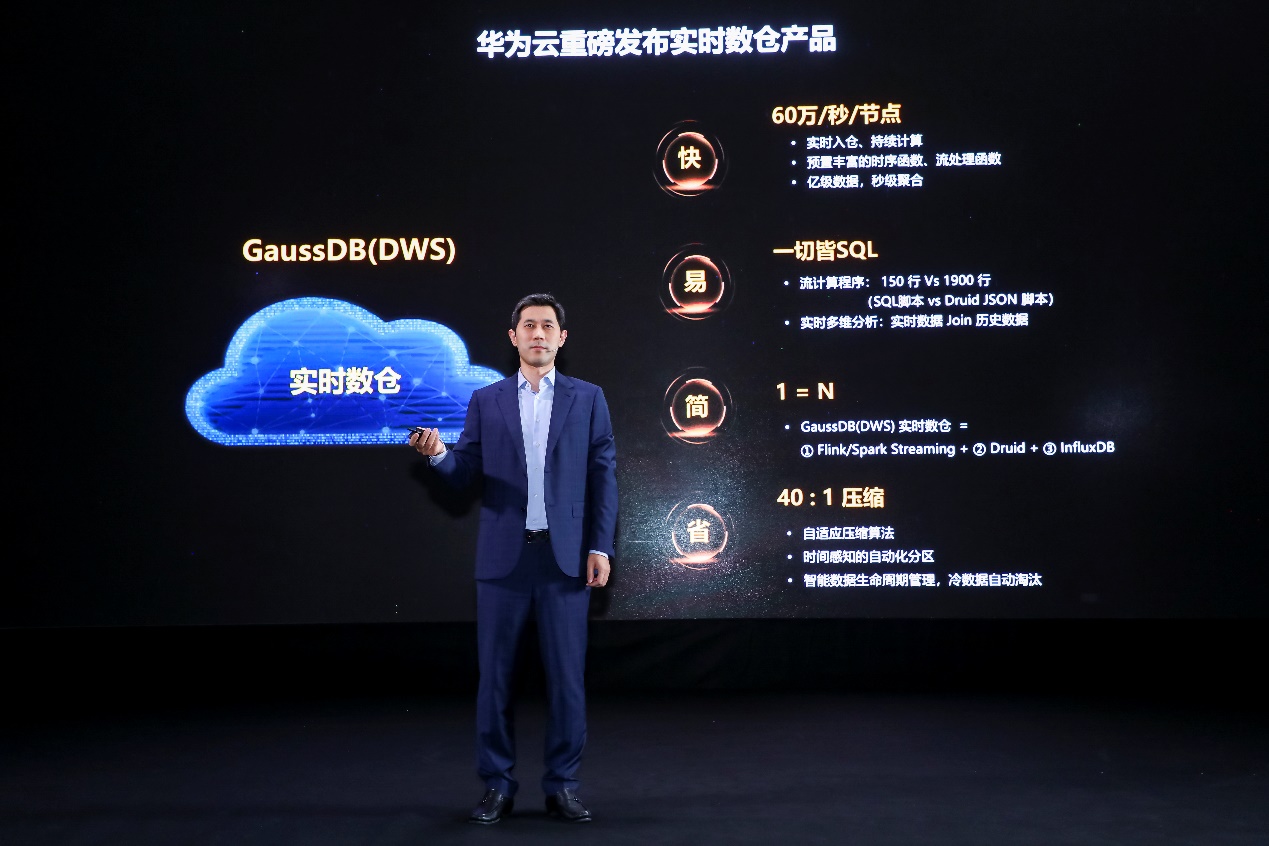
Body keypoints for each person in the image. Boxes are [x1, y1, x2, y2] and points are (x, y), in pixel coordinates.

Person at [408, 293, 617, 824]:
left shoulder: (589, 397)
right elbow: (464, 471)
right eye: (528, 325)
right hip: (503, 561)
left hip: (566, 560)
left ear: (562, 338)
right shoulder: (487, 400)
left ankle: (563, 785)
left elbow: (603, 477)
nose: (538, 333)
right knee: (495, 681)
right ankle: (497, 786)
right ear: (513, 337)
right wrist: (438, 454)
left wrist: (600, 545)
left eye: (547, 325)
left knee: (567, 681)